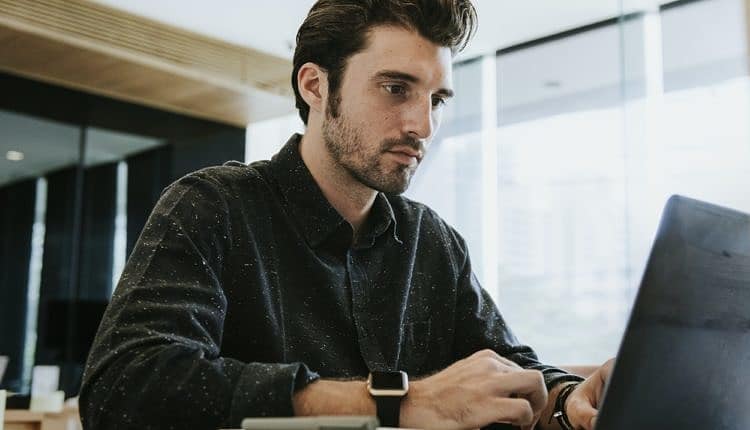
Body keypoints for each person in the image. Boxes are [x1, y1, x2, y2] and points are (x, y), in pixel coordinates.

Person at [80, 1, 613, 429]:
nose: (423, 126)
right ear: (315, 86)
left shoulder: (433, 242)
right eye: (396, 88)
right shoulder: (212, 206)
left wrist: (570, 397)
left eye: (438, 99)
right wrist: (393, 403)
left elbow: (509, 365)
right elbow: (123, 388)